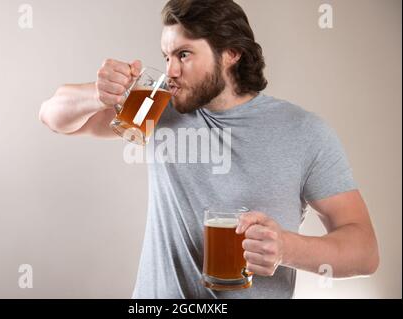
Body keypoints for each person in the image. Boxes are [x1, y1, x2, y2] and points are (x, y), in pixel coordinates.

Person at [39, 0, 379, 298]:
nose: (170, 72)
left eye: (183, 55)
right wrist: (98, 95)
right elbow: (53, 116)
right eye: (166, 56)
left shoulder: (304, 131)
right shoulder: (157, 109)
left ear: (231, 54)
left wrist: (287, 248)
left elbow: (364, 251)